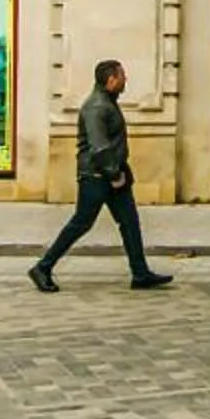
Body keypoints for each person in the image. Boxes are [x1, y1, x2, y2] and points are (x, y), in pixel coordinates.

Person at [26, 59, 174, 292]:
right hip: (97, 176)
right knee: (81, 223)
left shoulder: (107, 102)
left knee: (129, 222)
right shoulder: (97, 106)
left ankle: (140, 273)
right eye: (122, 76)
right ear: (111, 80)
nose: (126, 80)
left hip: (112, 173)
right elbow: (99, 146)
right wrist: (114, 174)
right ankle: (43, 267)